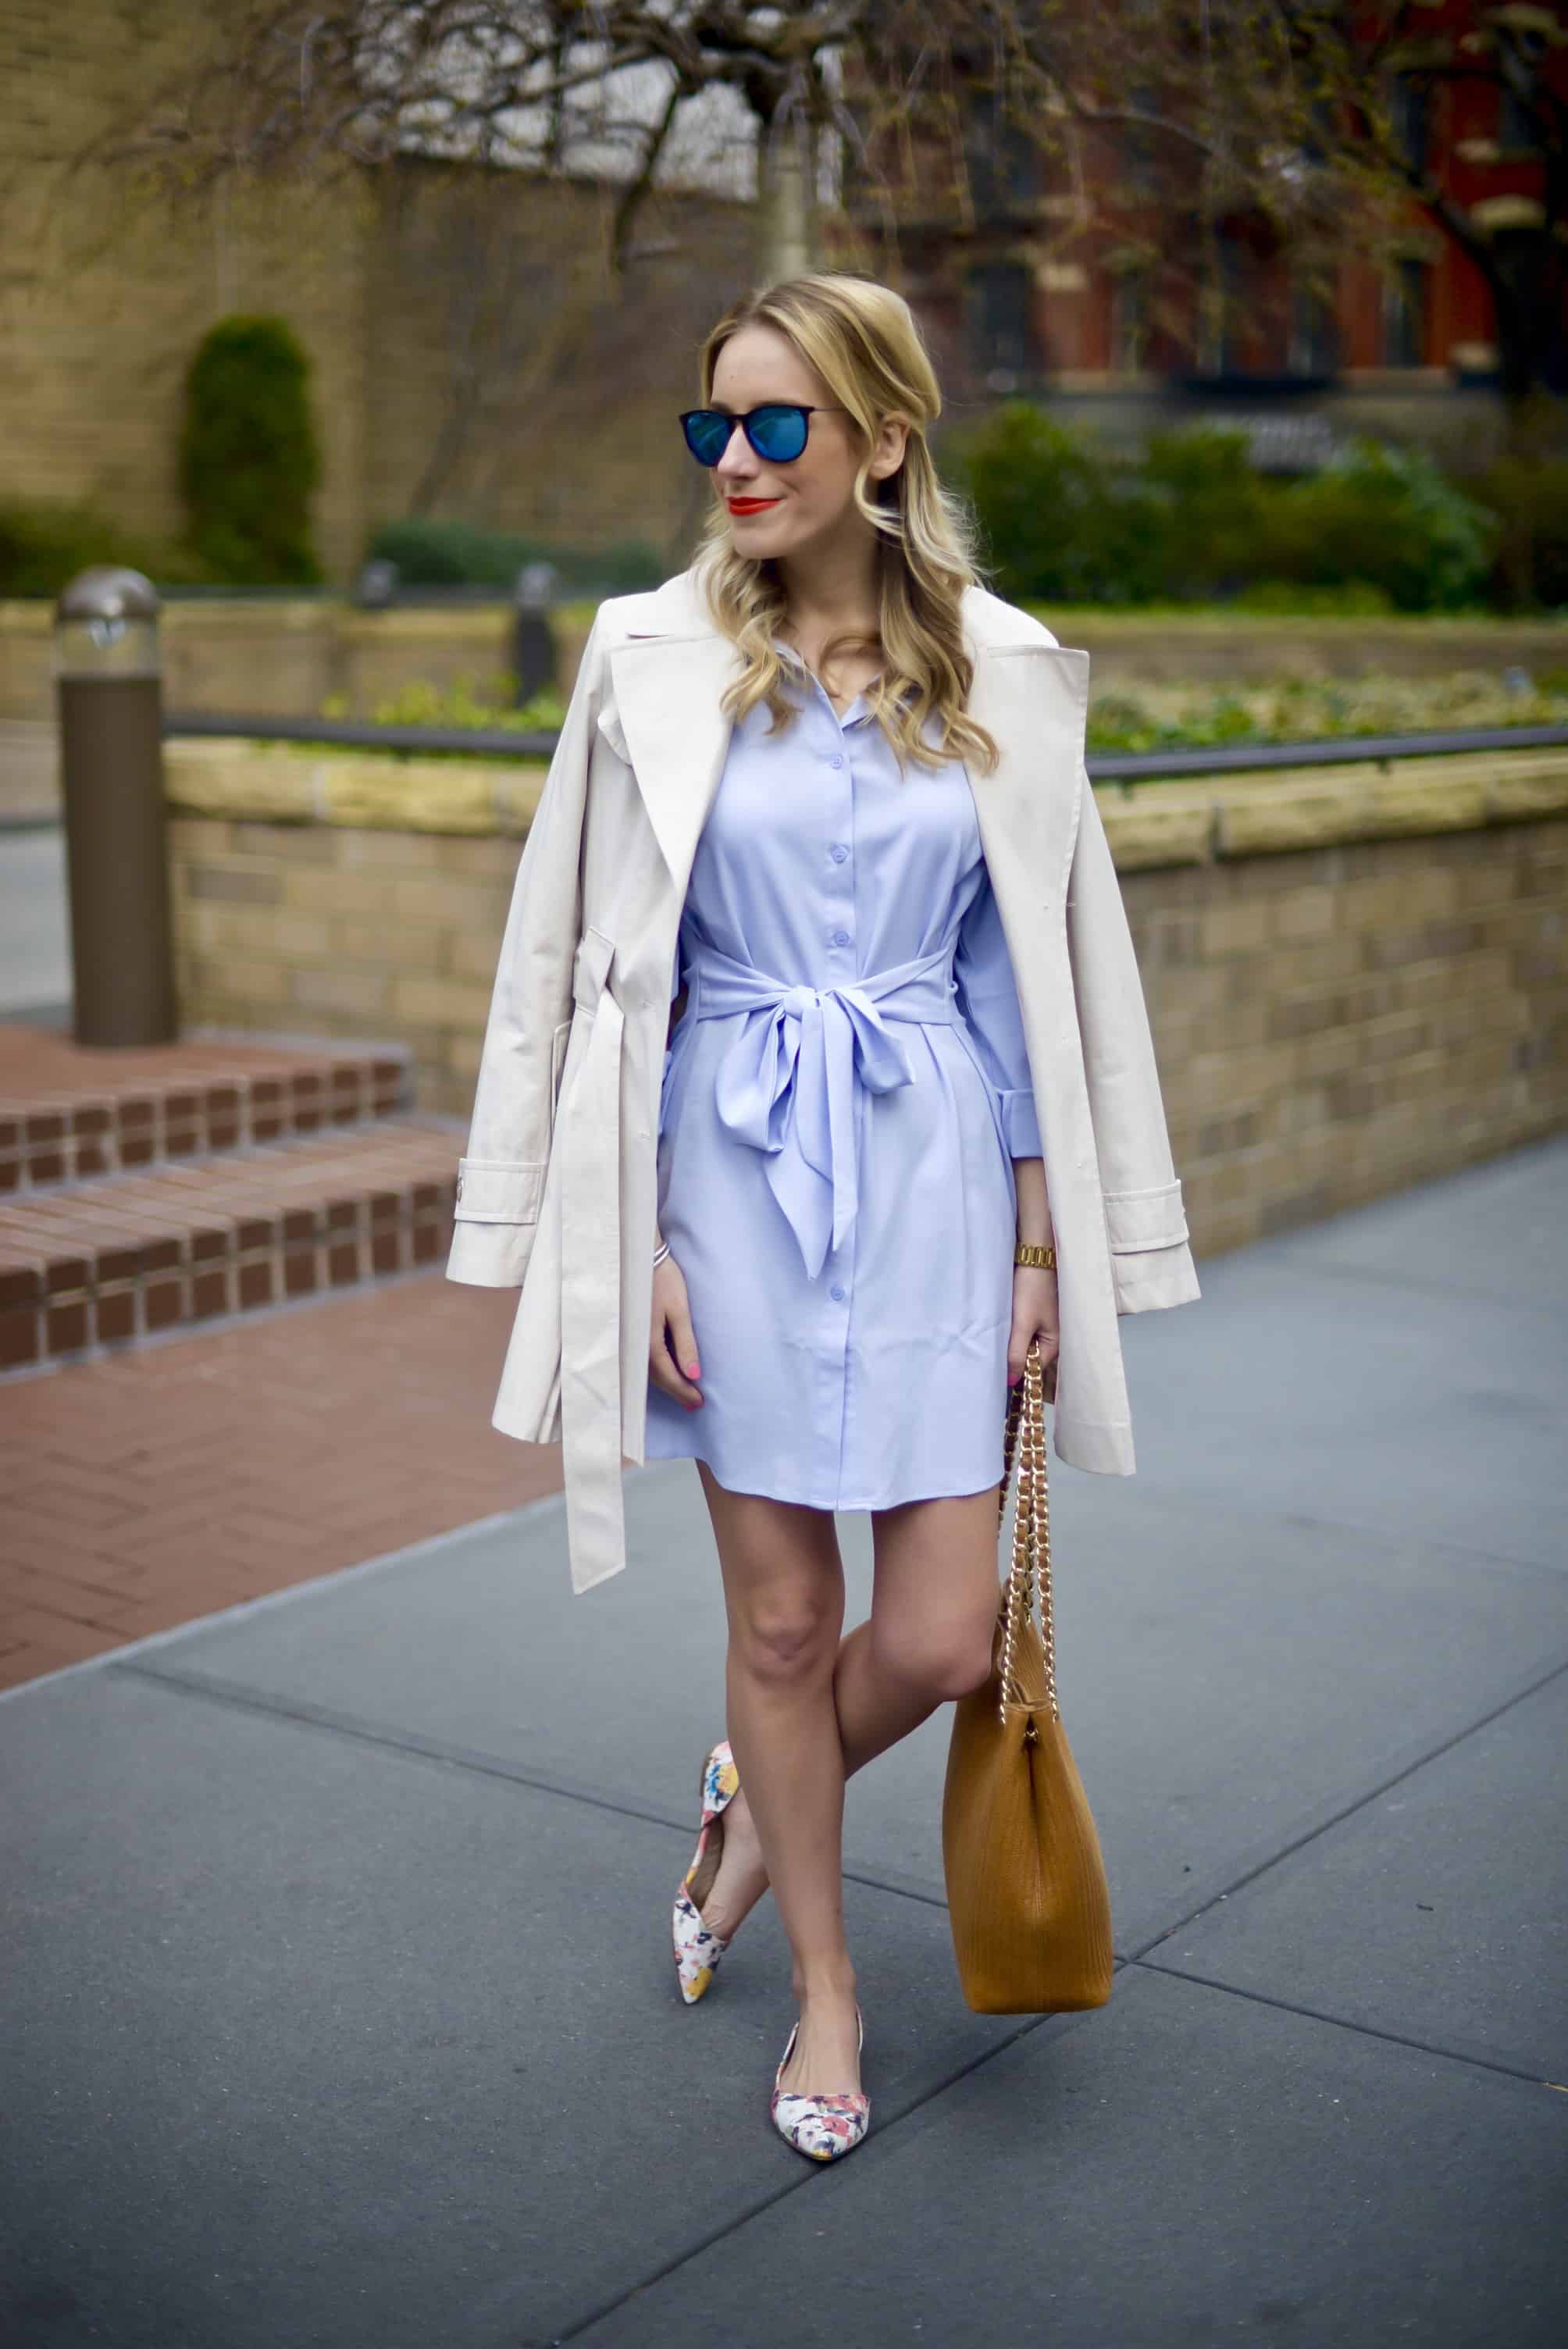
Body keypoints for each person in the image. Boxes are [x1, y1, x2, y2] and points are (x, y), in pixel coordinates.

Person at [447, 270, 1200, 2167]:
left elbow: (1024, 975)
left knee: (944, 1637)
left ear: (880, 435)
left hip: (944, 1173)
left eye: (776, 425)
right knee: (783, 1627)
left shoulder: (1004, 673)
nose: (735, 463)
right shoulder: (643, 661)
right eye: (711, 427)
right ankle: (825, 1980)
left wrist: (1044, 1246)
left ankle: (738, 1813)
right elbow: (573, 955)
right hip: (729, 1180)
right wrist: (631, 1246)